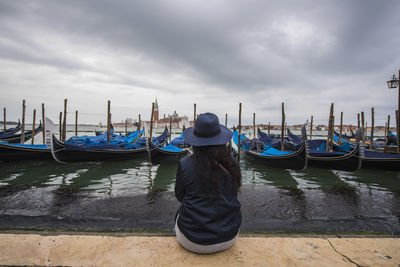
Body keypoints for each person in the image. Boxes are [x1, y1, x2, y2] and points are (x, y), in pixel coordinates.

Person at [174, 112, 242, 254]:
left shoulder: (185, 164)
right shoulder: (233, 164)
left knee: (179, 213)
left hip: (192, 241)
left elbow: (180, 196)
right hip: (228, 238)